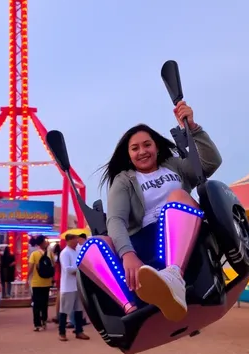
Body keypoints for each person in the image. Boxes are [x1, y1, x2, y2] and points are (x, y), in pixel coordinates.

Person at [77, 100, 222, 322]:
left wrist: (193, 128)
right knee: (92, 245)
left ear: (156, 146)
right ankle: (129, 308)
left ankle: (174, 276)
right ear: (128, 155)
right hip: (145, 241)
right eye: (135, 148)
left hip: (184, 234)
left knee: (178, 197)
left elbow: (210, 163)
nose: (142, 151)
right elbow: (115, 220)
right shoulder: (124, 180)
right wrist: (128, 254)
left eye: (147, 145)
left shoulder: (174, 166)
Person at [58, 233, 90, 342]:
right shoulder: (65, 253)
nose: (77, 242)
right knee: (64, 311)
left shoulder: (76, 252)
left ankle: (79, 331)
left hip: (77, 286)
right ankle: (62, 332)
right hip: (68, 287)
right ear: (69, 240)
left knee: (78, 310)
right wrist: (80, 268)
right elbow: (67, 269)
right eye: (75, 239)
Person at [28, 235, 54, 332]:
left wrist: (27, 278)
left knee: (36, 304)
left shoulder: (34, 254)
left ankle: (37, 324)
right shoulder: (49, 253)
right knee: (44, 303)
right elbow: (53, 265)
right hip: (47, 282)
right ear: (43, 243)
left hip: (36, 283)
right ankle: (44, 320)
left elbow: (30, 268)